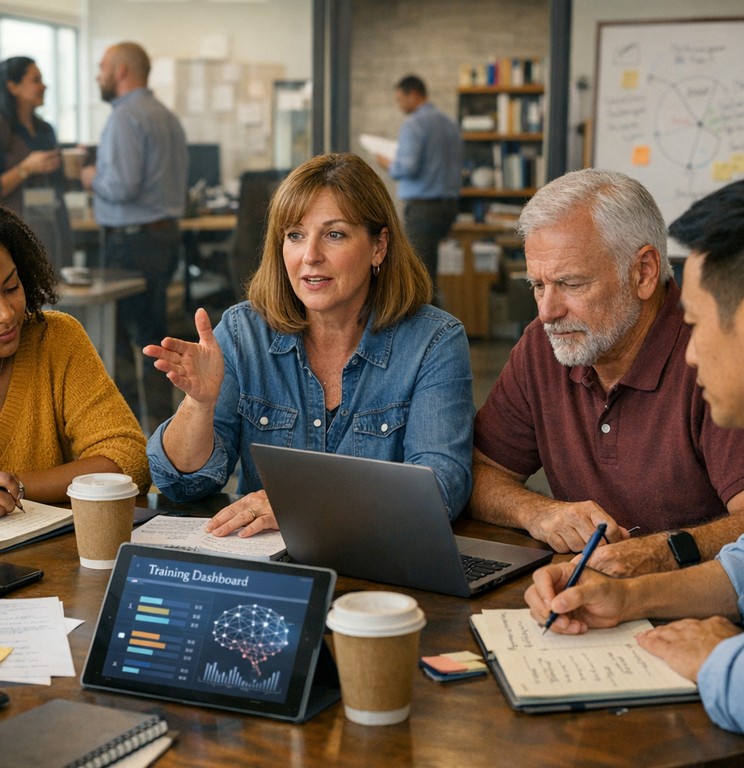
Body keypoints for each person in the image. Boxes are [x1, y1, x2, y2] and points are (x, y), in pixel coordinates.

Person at [145, 152, 474, 537]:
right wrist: (199, 406)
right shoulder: (242, 332)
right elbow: (183, 486)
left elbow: (441, 488)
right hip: (265, 563)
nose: (310, 256)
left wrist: (301, 506)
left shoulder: (433, 342)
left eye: (334, 234)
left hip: (376, 570)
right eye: (295, 235)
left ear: (379, 247)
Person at [524, 180, 744, 734]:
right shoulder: (543, 346)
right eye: (537, 286)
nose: (690, 350)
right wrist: (622, 599)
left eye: (694, 323)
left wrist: (724, 664)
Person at [470, 168, 744, 578]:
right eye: (538, 285)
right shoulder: (543, 346)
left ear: (644, 272)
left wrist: (660, 553)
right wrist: (539, 512)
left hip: (702, 614)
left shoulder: (716, 353)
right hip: (592, 598)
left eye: (570, 283)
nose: (547, 312)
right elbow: (477, 473)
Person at [0, 185, 150, 523]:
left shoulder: (55, 340)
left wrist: (12, 488)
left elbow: (129, 459)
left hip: (53, 565)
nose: (6, 313)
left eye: (12, 288)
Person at [80, 42, 188, 429]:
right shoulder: (167, 117)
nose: (98, 75)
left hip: (131, 242)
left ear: (122, 70)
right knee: (155, 338)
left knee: (122, 341)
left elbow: (121, 186)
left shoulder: (126, 117)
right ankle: (162, 425)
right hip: (163, 239)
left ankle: (122, 430)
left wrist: (90, 176)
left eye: (102, 67)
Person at [0, 57, 71, 267]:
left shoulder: (45, 130)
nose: (44, 86)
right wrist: (26, 168)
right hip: (11, 238)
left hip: (53, 230)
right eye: (36, 80)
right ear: (13, 86)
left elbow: (58, 184)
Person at [376, 75, 462, 286]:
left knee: (419, 278)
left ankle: (431, 320)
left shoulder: (414, 124)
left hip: (423, 210)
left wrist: (386, 163)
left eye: (400, 99)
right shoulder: (450, 123)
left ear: (413, 95)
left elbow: (406, 167)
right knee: (429, 274)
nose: (399, 105)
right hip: (449, 208)